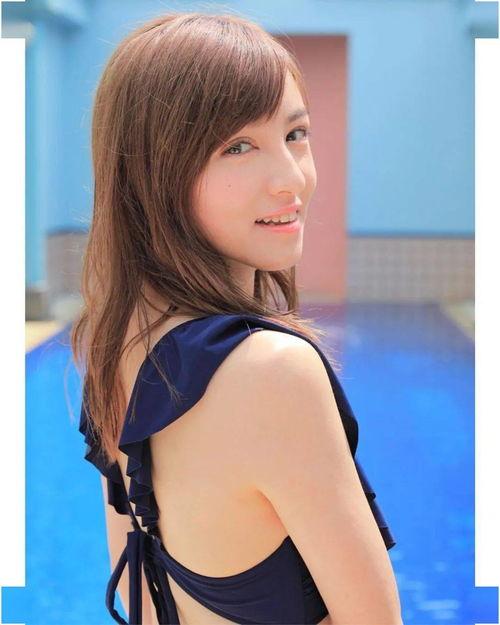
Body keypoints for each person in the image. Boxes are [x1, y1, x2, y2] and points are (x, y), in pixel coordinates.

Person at [72, 11, 402, 625]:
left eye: (296, 134)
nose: (291, 179)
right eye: (238, 147)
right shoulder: (272, 373)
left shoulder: (118, 346)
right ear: (155, 172)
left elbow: (141, 600)